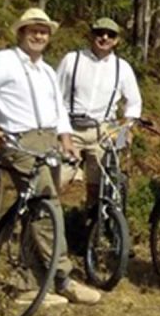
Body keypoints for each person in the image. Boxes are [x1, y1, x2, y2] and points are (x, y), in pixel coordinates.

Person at [0, 8, 103, 305]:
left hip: (47, 139)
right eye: (33, 30)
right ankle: (60, 278)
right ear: (21, 33)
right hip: (18, 140)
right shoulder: (3, 61)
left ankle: (31, 281)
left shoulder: (47, 70)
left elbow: (58, 109)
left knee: (37, 209)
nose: (39, 35)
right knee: (46, 204)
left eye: (44, 31)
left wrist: (65, 136)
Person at [55, 17, 143, 207]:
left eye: (110, 35)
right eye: (99, 33)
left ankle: (91, 227)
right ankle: (45, 221)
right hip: (72, 127)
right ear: (91, 35)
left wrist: (125, 130)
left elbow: (134, 103)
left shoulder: (123, 68)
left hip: (103, 129)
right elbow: (55, 95)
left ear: (116, 40)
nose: (104, 38)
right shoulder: (72, 60)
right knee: (58, 181)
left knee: (98, 186)